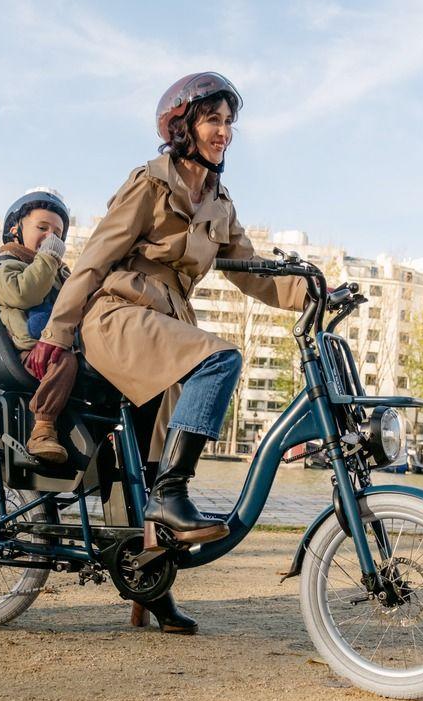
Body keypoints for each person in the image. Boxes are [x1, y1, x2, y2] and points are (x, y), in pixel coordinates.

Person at [33, 72, 307, 633]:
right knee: (221, 360)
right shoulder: (149, 184)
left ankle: (149, 593)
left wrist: (314, 291)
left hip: (168, 327)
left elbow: (253, 274)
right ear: (183, 126)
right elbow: (93, 259)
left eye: (230, 121)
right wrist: (57, 334)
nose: (224, 131)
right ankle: (173, 495)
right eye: (213, 119)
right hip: (119, 315)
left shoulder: (221, 203)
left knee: (148, 464)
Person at [0, 189, 78, 463]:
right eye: (42, 227)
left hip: (57, 342)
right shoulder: (5, 266)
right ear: (16, 229)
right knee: (65, 361)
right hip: (28, 353)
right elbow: (25, 294)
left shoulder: (56, 272)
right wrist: (50, 257)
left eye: (58, 234)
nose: (51, 236)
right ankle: (42, 429)